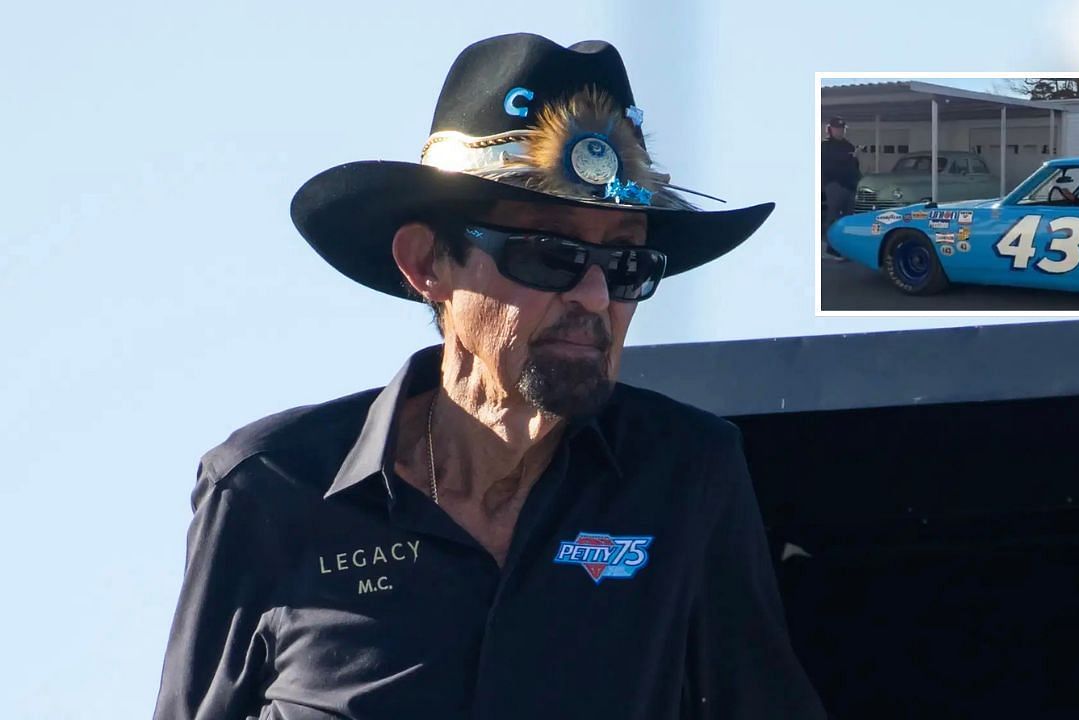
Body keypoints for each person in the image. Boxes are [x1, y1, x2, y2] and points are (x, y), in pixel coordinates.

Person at [151, 33, 827, 720]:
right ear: (426, 265)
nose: (595, 297)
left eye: (626, 265)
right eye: (547, 254)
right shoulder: (266, 488)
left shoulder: (686, 476)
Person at [820, 116, 860, 252]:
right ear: (830, 129)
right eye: (836, 128)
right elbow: (828, 166)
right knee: (834, 216)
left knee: (848, 219)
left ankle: (845, 247)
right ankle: (832, 248)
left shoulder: (848, 146)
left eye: (841, 129)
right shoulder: (825, 146)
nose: (839, 131)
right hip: (834, 185)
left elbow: (854, 166)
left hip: (850, 186)